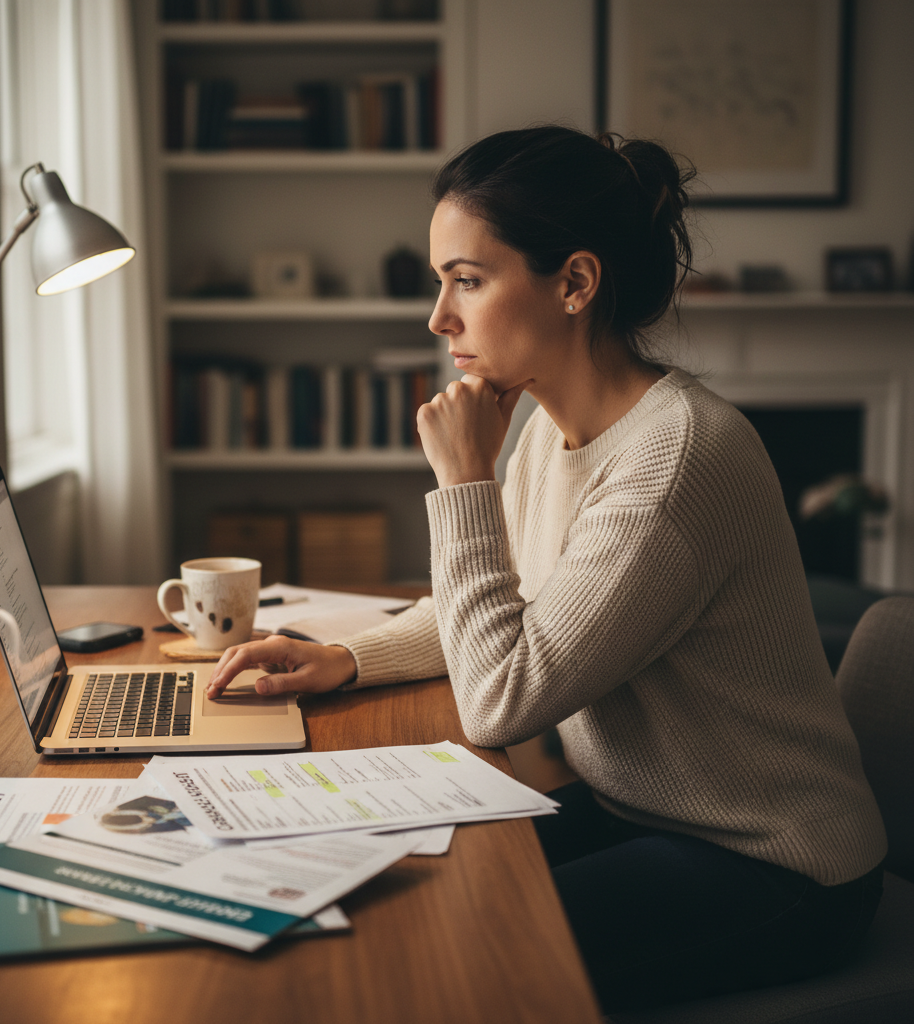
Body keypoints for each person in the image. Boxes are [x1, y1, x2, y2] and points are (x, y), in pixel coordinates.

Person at [206, 126, 887, 1013]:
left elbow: (504, 698)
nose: (438, 318)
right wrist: (349, 659)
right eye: (440, 281)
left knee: (444, 964)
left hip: (774, 863)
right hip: (647, 814)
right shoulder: (549, 429)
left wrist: (463, 482)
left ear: (574, 282)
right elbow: (515, 606)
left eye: (467, 280)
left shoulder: (675, 458)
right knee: (376, 885)